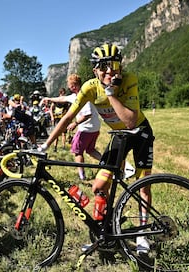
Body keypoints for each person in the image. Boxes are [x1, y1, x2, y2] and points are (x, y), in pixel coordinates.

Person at [39, 43, 154, 254]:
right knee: (99, 186)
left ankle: (142, 236)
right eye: (103, 66)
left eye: (114, 65)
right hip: (119, 137)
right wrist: (44, 145)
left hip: (140, 132)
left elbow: (130, 121)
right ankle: (105, 232)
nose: (110, 70)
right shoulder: (90, 87)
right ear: (95, 71)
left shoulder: (129, 80)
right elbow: (67, 118)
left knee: (143, 187)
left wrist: (110, 93)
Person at [42, 74, 101, 181]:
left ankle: (82, 176)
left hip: (86, 129)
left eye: (69, 85)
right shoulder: (76, 96)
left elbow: (87, 114)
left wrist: (75, 123)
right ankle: (107, 164)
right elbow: (63, 98)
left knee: (78, 152)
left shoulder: (83, 95)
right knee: (90, 150)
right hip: (94, 128)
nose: (68, 87)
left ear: (74, 85)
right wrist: (49, 99)